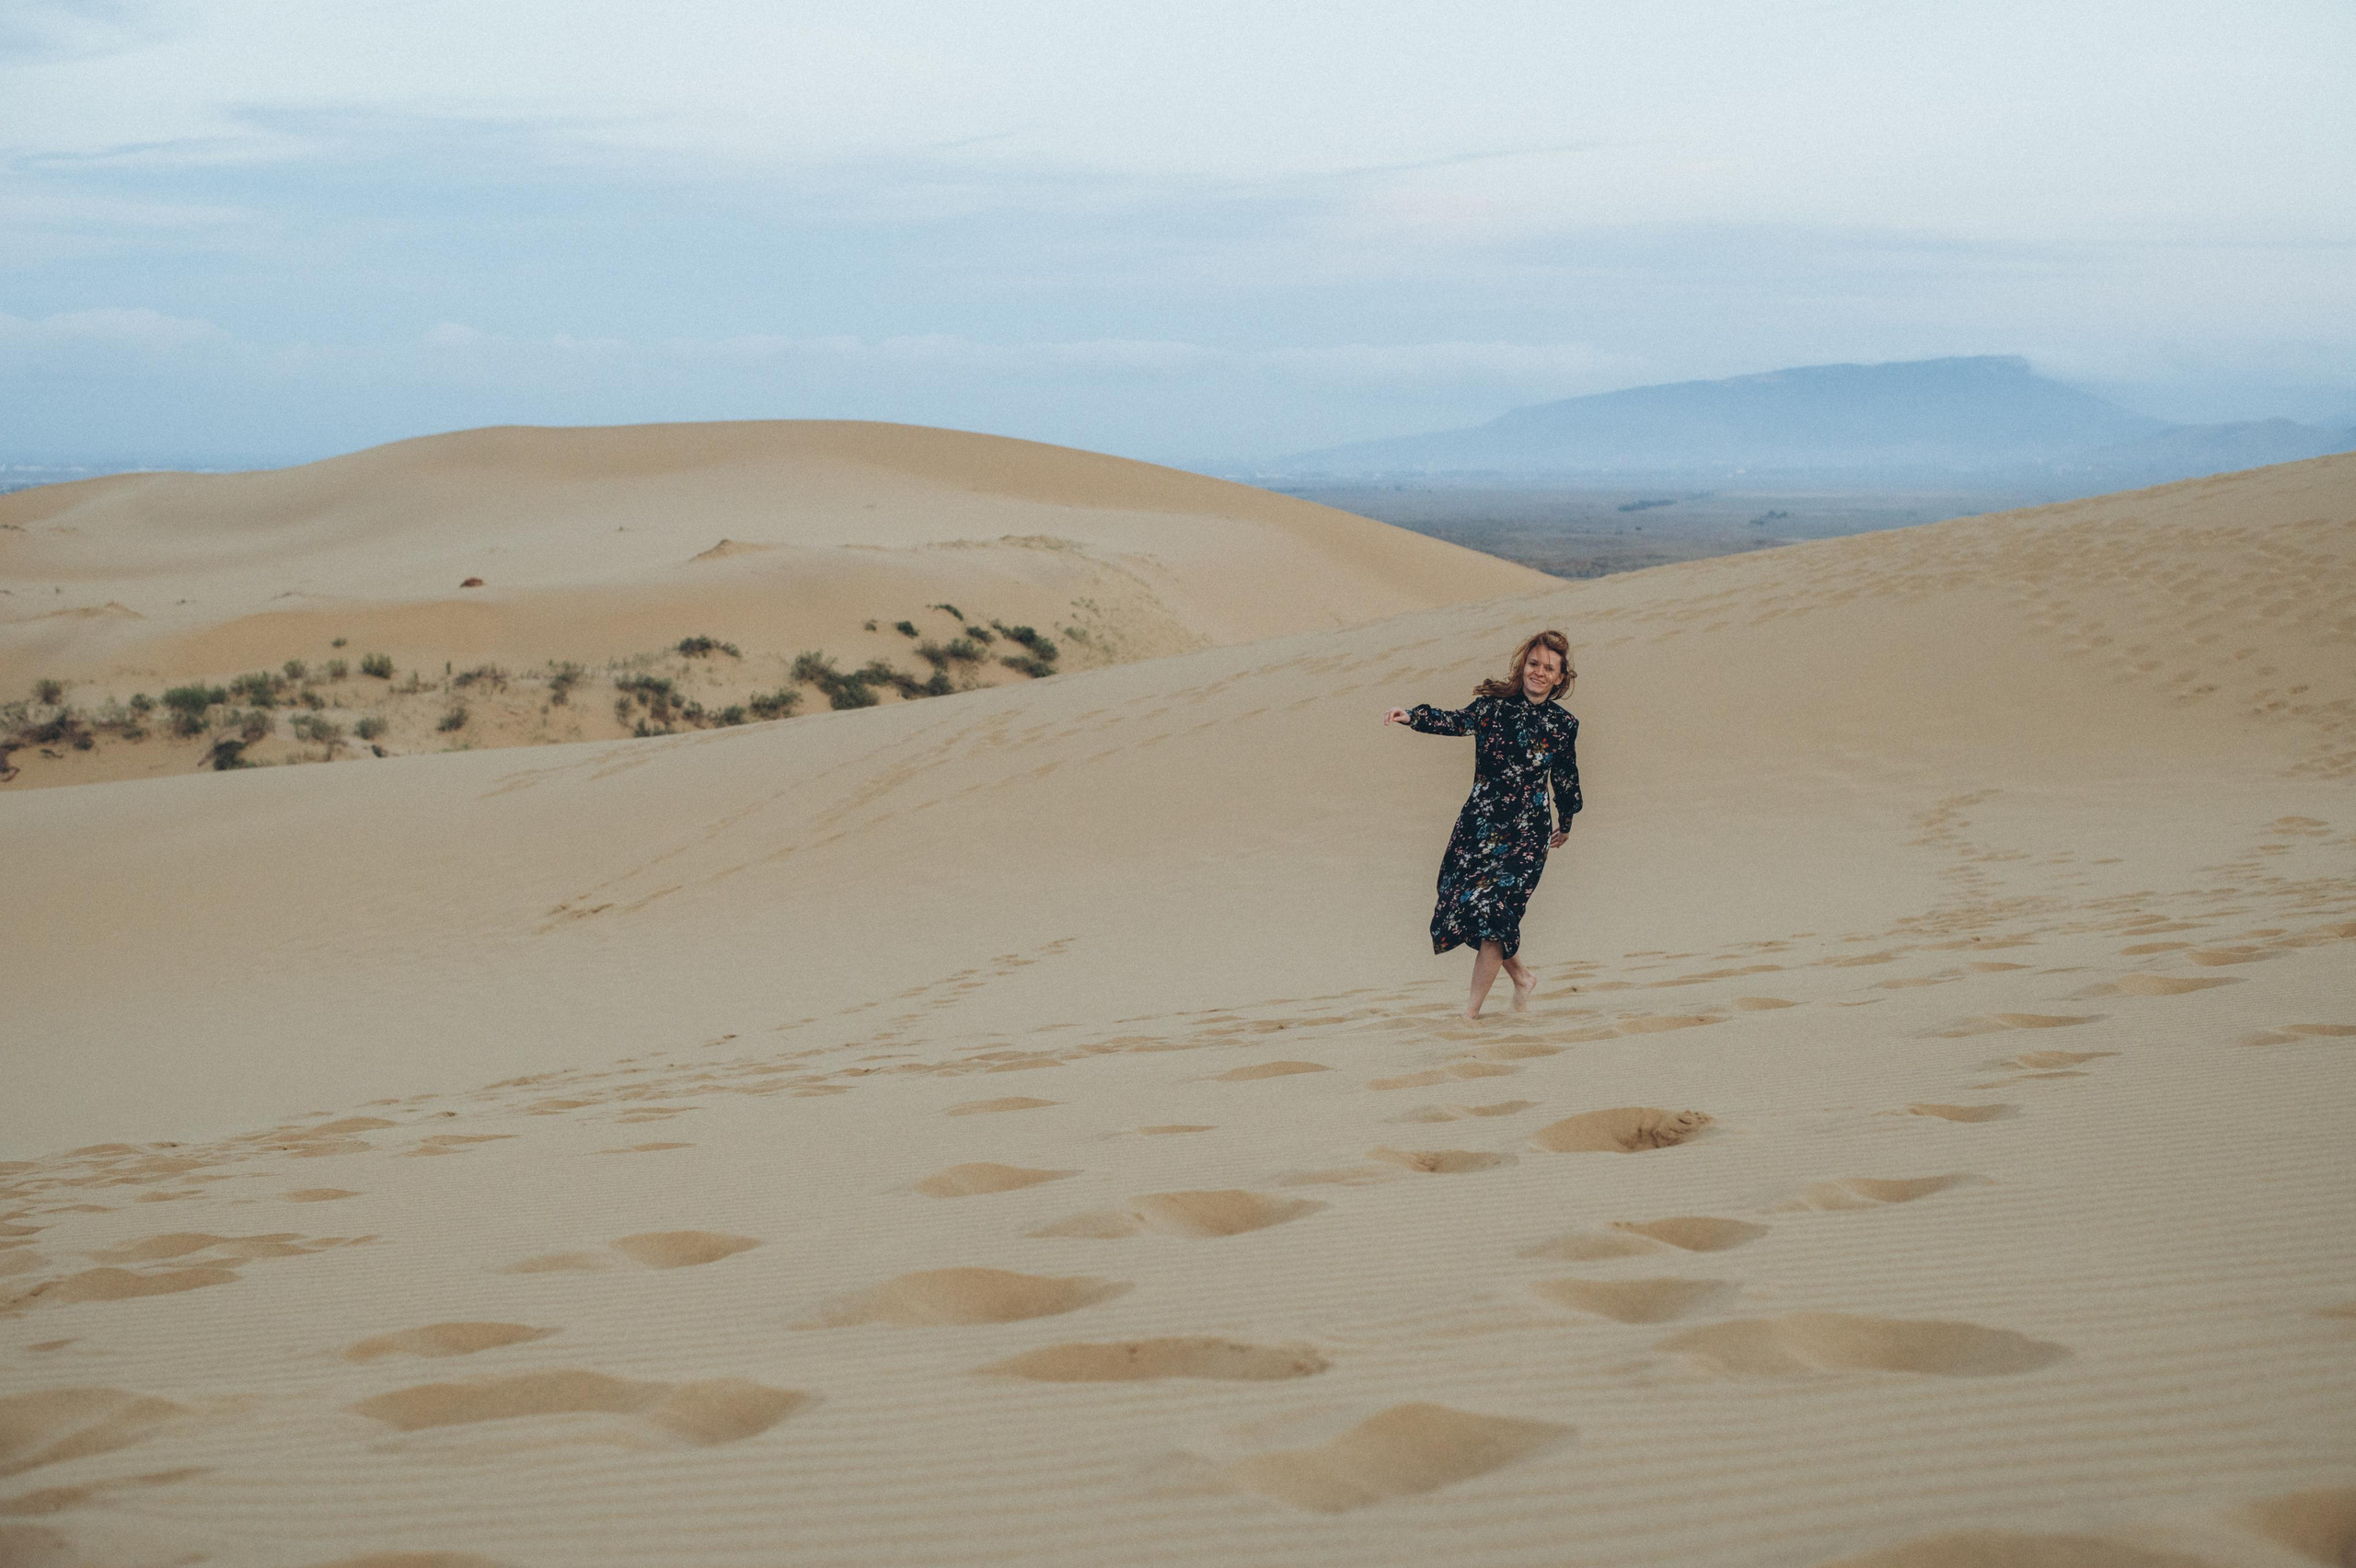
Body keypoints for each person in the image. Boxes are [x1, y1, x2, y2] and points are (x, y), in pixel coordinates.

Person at [1384, 629, 1581, 1020]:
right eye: (1534, 663)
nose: (1539, 672)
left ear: (1560, 678)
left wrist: (1567, 819)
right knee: (1471, 907)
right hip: (1480, 825)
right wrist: (1414, 717)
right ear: (1523, 665)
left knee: (1495, 912)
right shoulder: (1493, 708)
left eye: (1549, 668)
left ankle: (1469, 1014)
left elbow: (1565, 776)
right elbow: (1457, 721)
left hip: (1527, 833)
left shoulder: (1563, 725)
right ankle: (1523, 977)